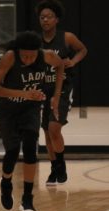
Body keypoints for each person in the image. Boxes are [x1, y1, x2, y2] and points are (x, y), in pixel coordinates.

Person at [0, 31, 64, 211]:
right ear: (18, 51)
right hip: (8, 112)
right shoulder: (9, 58)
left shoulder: (47, 56)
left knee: (31, 148)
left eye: (31, 56)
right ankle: (6, 183)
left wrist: (55, 96)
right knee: (13, 151)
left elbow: (61, 66)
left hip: (30, 110)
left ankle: (27, 198)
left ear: (38, 51)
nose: (28, 59)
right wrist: (23, 94)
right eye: (24, 56)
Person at [35, 0, 87, 186]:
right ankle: (54, 168)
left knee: (54, 128)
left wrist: (73, 61)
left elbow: (83, 50)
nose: (45, 20)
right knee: (47, 133)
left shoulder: (67, 37)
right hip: (43, 89)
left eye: (49, 17)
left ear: (56, 19)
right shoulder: (36, 41)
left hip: (63, 88)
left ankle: (61, 164)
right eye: (42, 17)